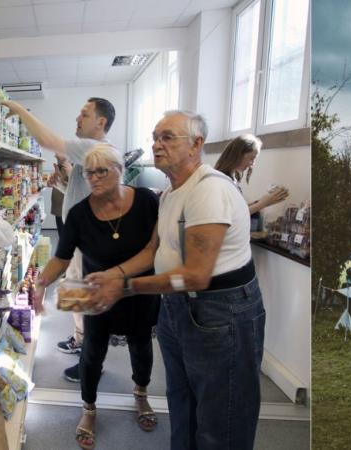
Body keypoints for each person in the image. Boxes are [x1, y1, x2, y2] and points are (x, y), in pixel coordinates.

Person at [86, 110, 265, 450]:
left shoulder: (208, 191)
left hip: (220, 315)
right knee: (182, 403)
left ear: (197, 144)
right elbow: (155, 248)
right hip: (177, 310)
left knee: (221, 418)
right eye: (155, 137)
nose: (156, 145)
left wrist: (125, 288)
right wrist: (112, 274)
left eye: (167, 137)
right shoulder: (170, 193)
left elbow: (196, 276)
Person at [34, 144, 160, 449]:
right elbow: (62, 258)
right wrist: (40, 283)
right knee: (92, 351)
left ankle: (141, 396)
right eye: (89, 172)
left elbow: (153, 249)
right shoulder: (78, 213)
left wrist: (117, 275)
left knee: (140, 345)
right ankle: (88, 409)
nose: (94, 178)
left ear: (120, 170)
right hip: (95, 291)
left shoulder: (145, 200)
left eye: (102, 170)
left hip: (137, 289)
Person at [2, 97, 115, 382]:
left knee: (85, 302)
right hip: (83, 241)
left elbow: (47, 139)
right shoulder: (93, 154)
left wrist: (18, 109)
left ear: (100, 122)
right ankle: (80, 342)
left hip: (90, 244)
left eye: (84, 113)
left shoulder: (94, 147)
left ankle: (91, 363)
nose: (78, 118)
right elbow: (85, 193)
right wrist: (64, 182)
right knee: (77, 298)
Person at [214, 134, 289, 214]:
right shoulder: (221, 181)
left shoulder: (232, 177)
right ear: (238, 155)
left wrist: (263, 201)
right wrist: (262, 204)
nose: (252, 164)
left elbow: (238, 208)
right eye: (251, 158)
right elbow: (234, 215)